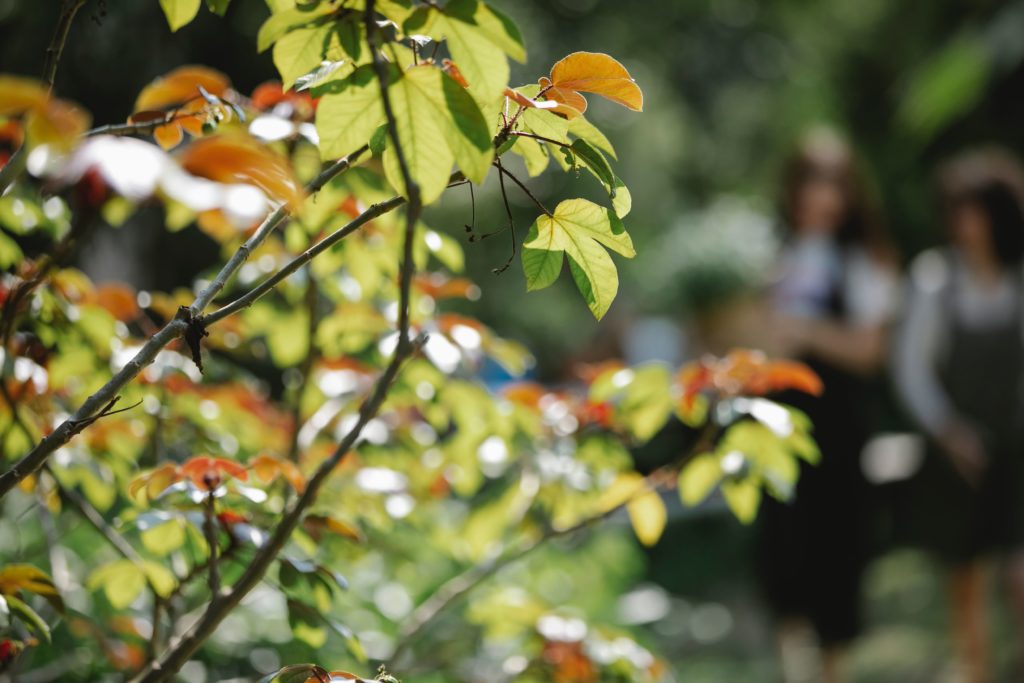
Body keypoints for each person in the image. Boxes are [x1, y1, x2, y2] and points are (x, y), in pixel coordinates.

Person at [755, 128, 900, 683]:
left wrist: (806, 333)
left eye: (834, 182)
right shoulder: (771, 253)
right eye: (813, 181)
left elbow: (869, 350)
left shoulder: (864, 260)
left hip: (838, 435)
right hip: (774, 429)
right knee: (782, 565)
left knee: (838, 564)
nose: (823, 195)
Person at [893, 148, 1024, 683]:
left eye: (974, 210)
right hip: (954, 452)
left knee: (1018, 574)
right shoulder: (933, 279)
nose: (964, 224)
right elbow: (911, 369)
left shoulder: (1018, 280)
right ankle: (978, 671)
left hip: (1016, 449)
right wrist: (949, 431)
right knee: (965, 579)